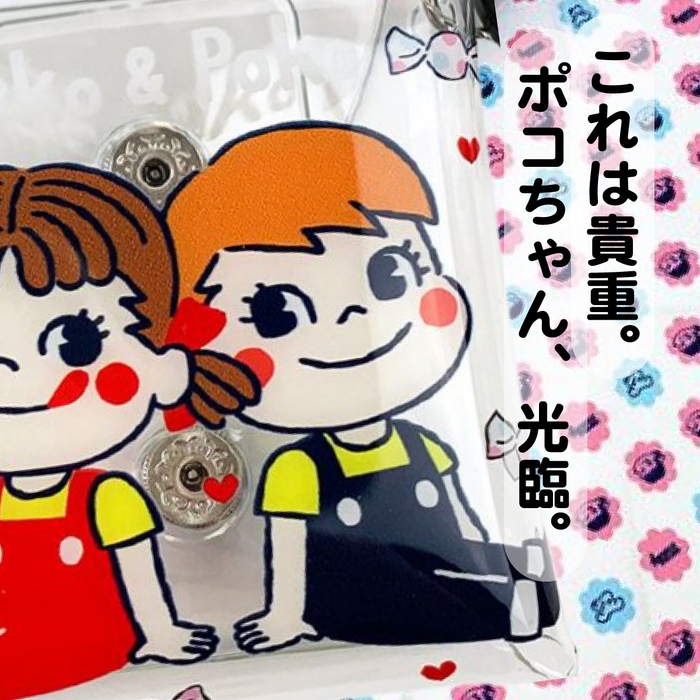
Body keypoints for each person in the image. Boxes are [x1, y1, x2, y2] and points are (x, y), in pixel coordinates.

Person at [167, 122, 559, 653]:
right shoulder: (298, 468)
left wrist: (488, 553)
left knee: (506, 577)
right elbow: (287, 548)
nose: (353, 317)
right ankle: (513, 607)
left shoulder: (424, 445)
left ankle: (517, 601)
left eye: (391, 274)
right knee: (470, 598)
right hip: (353, 599)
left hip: (431, 571)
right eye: (276, 313)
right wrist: (285, 615)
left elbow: (463, 520)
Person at [0, 165, 259, 699]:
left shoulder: (105, 497)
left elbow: (137, 570)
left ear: (163, 363)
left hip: (95, 652)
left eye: (77, 344)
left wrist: (160, 635)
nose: (15, 378)